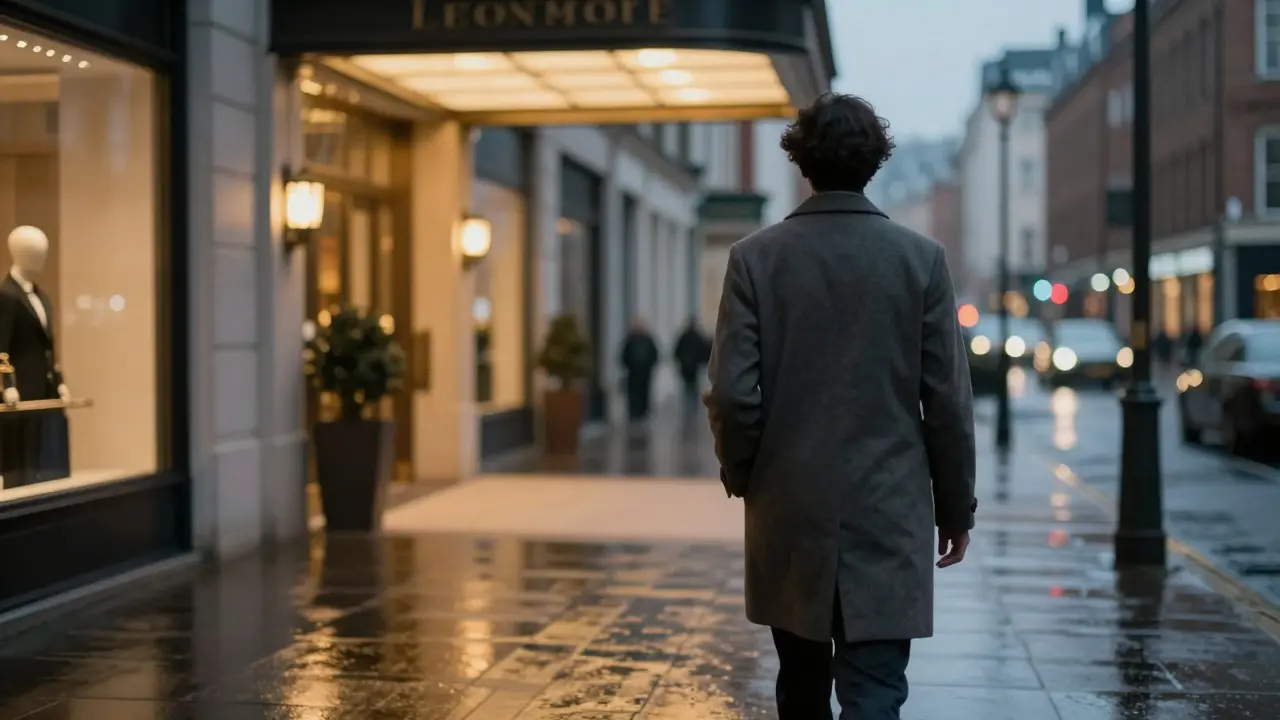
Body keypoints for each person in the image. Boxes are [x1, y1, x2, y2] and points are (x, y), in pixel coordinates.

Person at [704, 93, 977, 720]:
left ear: (802, 162)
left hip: (790, 509)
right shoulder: (921, 261)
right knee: (875, 690)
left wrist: (746, 474)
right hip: (889, 510)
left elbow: (731, 393)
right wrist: (954, 507)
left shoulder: (755, 259)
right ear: (875, 163)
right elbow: (948, 404)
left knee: (800, 683)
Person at [619, 317, 659, 422]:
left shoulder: (648, 340)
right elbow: (624, 355)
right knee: (633, 393)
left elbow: (654, 354)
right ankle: (634, 412)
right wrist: (628, 365)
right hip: (633, 372)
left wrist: (650, 365)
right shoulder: (630, 340)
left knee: (644, 393)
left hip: (645, 372)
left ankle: (643, 412)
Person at [673, 317, 712, 415]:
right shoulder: (698, 337)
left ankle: (688, 404)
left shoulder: (683, 336)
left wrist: (679, 360)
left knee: (687, 386)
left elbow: (677, 351)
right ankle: (693, 405)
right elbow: (704, 350)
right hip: (694, 366)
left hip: (685, 366)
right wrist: (703, 362)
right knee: (693, 385)